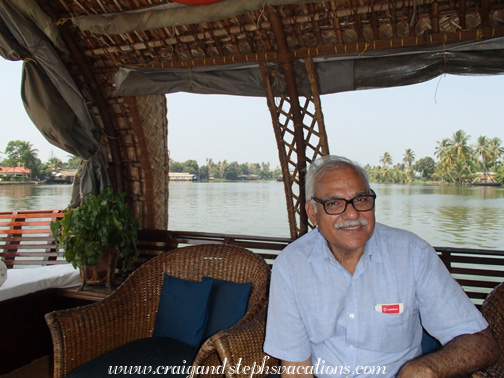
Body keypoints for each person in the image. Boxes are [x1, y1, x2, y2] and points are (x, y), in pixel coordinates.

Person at [264, 155, 498, 378]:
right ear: (312, 214)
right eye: (334, 203)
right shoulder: (291, 265)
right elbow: (296, 367)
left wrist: (428, 369)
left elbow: (482, 343)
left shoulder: (412, 254)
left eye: (361, 199)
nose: (353, 213)